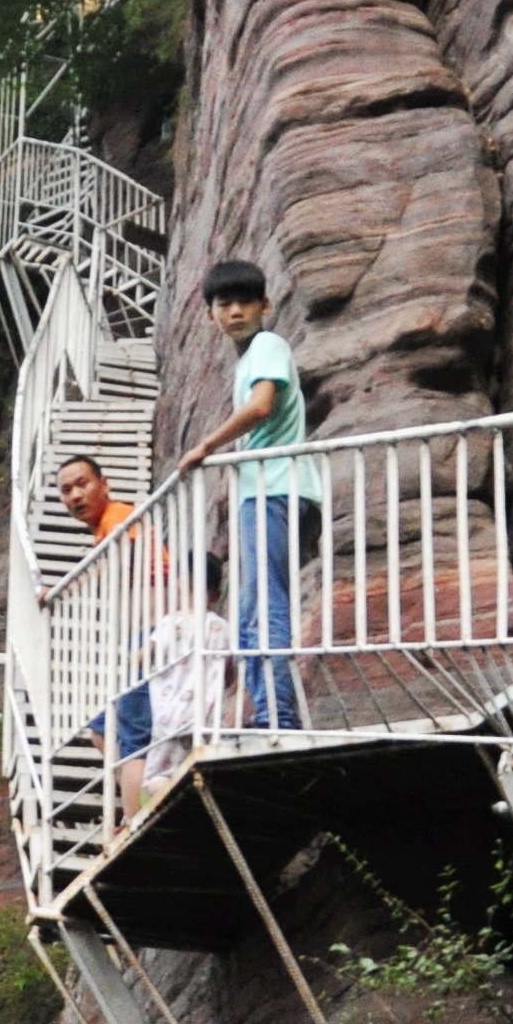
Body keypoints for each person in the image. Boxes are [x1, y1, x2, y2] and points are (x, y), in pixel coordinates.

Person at [189, 259, 319, 729]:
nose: (236, 311)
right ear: (211, 314)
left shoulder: (266, 345)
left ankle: (277, 716)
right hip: (268, 488)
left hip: (275, 487)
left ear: (266, 305)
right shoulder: (250, 358)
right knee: (251, 609)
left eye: (246, 302)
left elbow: (262, 406)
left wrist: (207, 446)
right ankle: (270, 710)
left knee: (264, 605)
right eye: (225, 303)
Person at [57, 452, 158, 813]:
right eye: (66, 490)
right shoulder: (104, 533)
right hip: (134, 634)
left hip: (149, 632)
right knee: (101, 727)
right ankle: (140, 800)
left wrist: (74, 584)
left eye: (82, 484)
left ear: (105, 484)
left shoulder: (118, 518)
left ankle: (137, 817)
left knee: (133, 737)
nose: (75, 496)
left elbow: (126, 555)